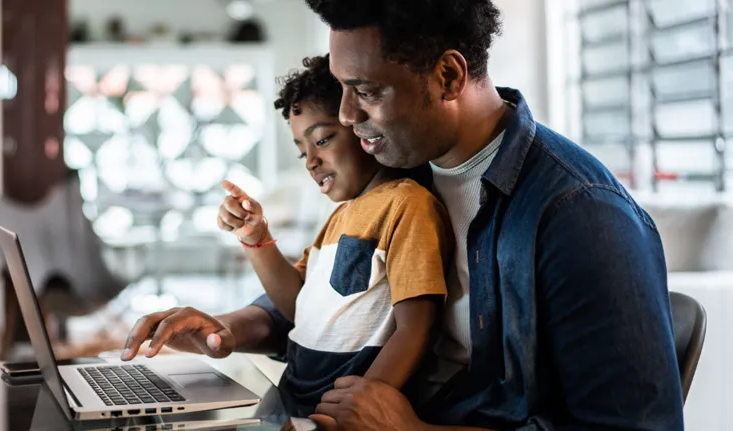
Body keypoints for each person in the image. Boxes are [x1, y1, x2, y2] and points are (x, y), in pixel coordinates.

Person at [122, 0, 685, 430]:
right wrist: (223, 330)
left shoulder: (581, 218)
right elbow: (324, 294)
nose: (346, 115)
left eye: (366, 90)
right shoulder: (399, 171)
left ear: (447, 76)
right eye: (342, 88)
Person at [214, 55, 451, 414]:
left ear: (361, 126)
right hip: (292, 401)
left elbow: (416, 328)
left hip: (339, 413)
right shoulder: (339, 217)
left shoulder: (406, 205)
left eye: (322, 140)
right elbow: (298, 306)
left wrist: (365, 403)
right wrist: (254, 236)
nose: (310, 160)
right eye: (301, 152)